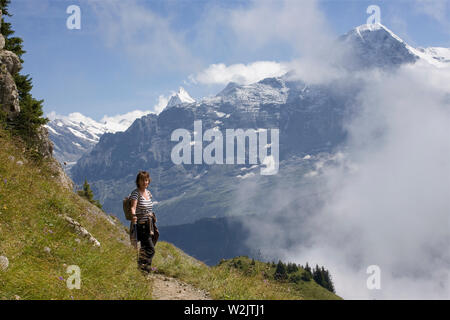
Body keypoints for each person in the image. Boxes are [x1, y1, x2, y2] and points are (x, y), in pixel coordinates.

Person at [130, 171, 156, 275]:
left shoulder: (148, 193)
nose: (144, 182)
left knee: (145, 248)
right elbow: (133, 207)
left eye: (146, 180)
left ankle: (143, 270)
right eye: (142, 180)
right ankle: (143, 267)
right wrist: (133, 216)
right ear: (138, 181)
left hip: (149, 223)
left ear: (148, 181)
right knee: (150, 249)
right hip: (142, 225)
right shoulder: (136, 193)